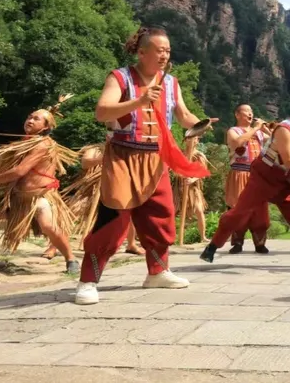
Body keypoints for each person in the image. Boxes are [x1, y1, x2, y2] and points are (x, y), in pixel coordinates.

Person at [75, 26, 217, 306]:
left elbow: (184, 115)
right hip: (122, 155)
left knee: (160, 216)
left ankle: (157, 272)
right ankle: (88, 281)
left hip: (156, 158)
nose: (165, 55)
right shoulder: (120, 77)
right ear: (142, 52)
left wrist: (199, 124)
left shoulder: (171, 83)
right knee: (114, 218)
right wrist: (139, 101)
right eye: (159, 50)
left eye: (168, 51)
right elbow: (102, 112)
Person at [200, 97, 290, 269]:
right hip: (264, 177)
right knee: (239, 213)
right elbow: (289, 160)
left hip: (285, 180)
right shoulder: (285, 129)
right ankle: (212, 246)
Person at [0, 106, 79, 274]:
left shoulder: (44, 145)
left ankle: (71, 259)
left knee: (48, 226)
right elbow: (2, 164)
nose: (30, 120)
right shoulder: (23, 143)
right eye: (29, 117)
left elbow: (19, 171)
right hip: (18, 198)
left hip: (39, 196)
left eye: (36, 119)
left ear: (46, 127)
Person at [64, 140, 145, 256]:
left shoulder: (125, 149)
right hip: (90, 191)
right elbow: (85, 163)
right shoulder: (95, 150)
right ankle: (53, 246)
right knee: (73, 210)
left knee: (129, 213)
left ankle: (131, 244)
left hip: (116, 189)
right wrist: (108, 156)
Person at [224, 105, 272, 254]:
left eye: (252, 112)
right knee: (238, 207)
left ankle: (260, 243)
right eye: (247, 112)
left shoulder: (259, 133)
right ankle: (237, 242)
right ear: (237, 115)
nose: (250, 114)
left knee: (260, 208)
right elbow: (237, 143)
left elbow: (277, 141)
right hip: (240, 172)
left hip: (257, 175)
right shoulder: (233, 131)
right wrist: (256, 128)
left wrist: (266, 130)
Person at [176, 133, 211, 244]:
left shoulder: (199, 156)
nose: (192, 140)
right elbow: (174, 168)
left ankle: (203, 236)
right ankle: (171, 237)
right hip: (179, 187)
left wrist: (192, 179)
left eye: (195, 138)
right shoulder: (180, 154)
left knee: (199, 210)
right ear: (185, 140)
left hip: (193, 188)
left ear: (197, 141)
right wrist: (180, 174)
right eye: (189, 138)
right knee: (172, 211)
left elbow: (203, 171)